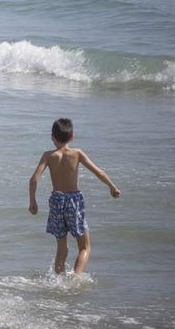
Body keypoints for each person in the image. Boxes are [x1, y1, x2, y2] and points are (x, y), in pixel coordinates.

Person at [28, 118, 121, 275]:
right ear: (72, 137)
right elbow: (98, 171)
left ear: (52, 137)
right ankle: (75, 279)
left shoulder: (48, 156)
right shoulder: (76, 154)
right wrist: (112, 187)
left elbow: (34, 179)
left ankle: (59, 282)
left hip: (56, 201)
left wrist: (33, 202)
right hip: (73, 201)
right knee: (85, 247)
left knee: (62, 249)